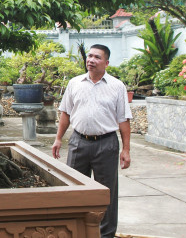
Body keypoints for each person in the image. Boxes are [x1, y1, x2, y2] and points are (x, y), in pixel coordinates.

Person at [52, 44, 131, 238]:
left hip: (107, 144)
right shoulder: (75, 83)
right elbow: (66, 113)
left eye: (97, 57)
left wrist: (126, 149)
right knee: (73, 188)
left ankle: (105, 235)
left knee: (106, 192)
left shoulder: (116, 86)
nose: (91, 60)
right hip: (79, 142)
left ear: (106, 62)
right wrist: (58, 139)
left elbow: (123, 120)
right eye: (89, 56)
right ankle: (74, 231)